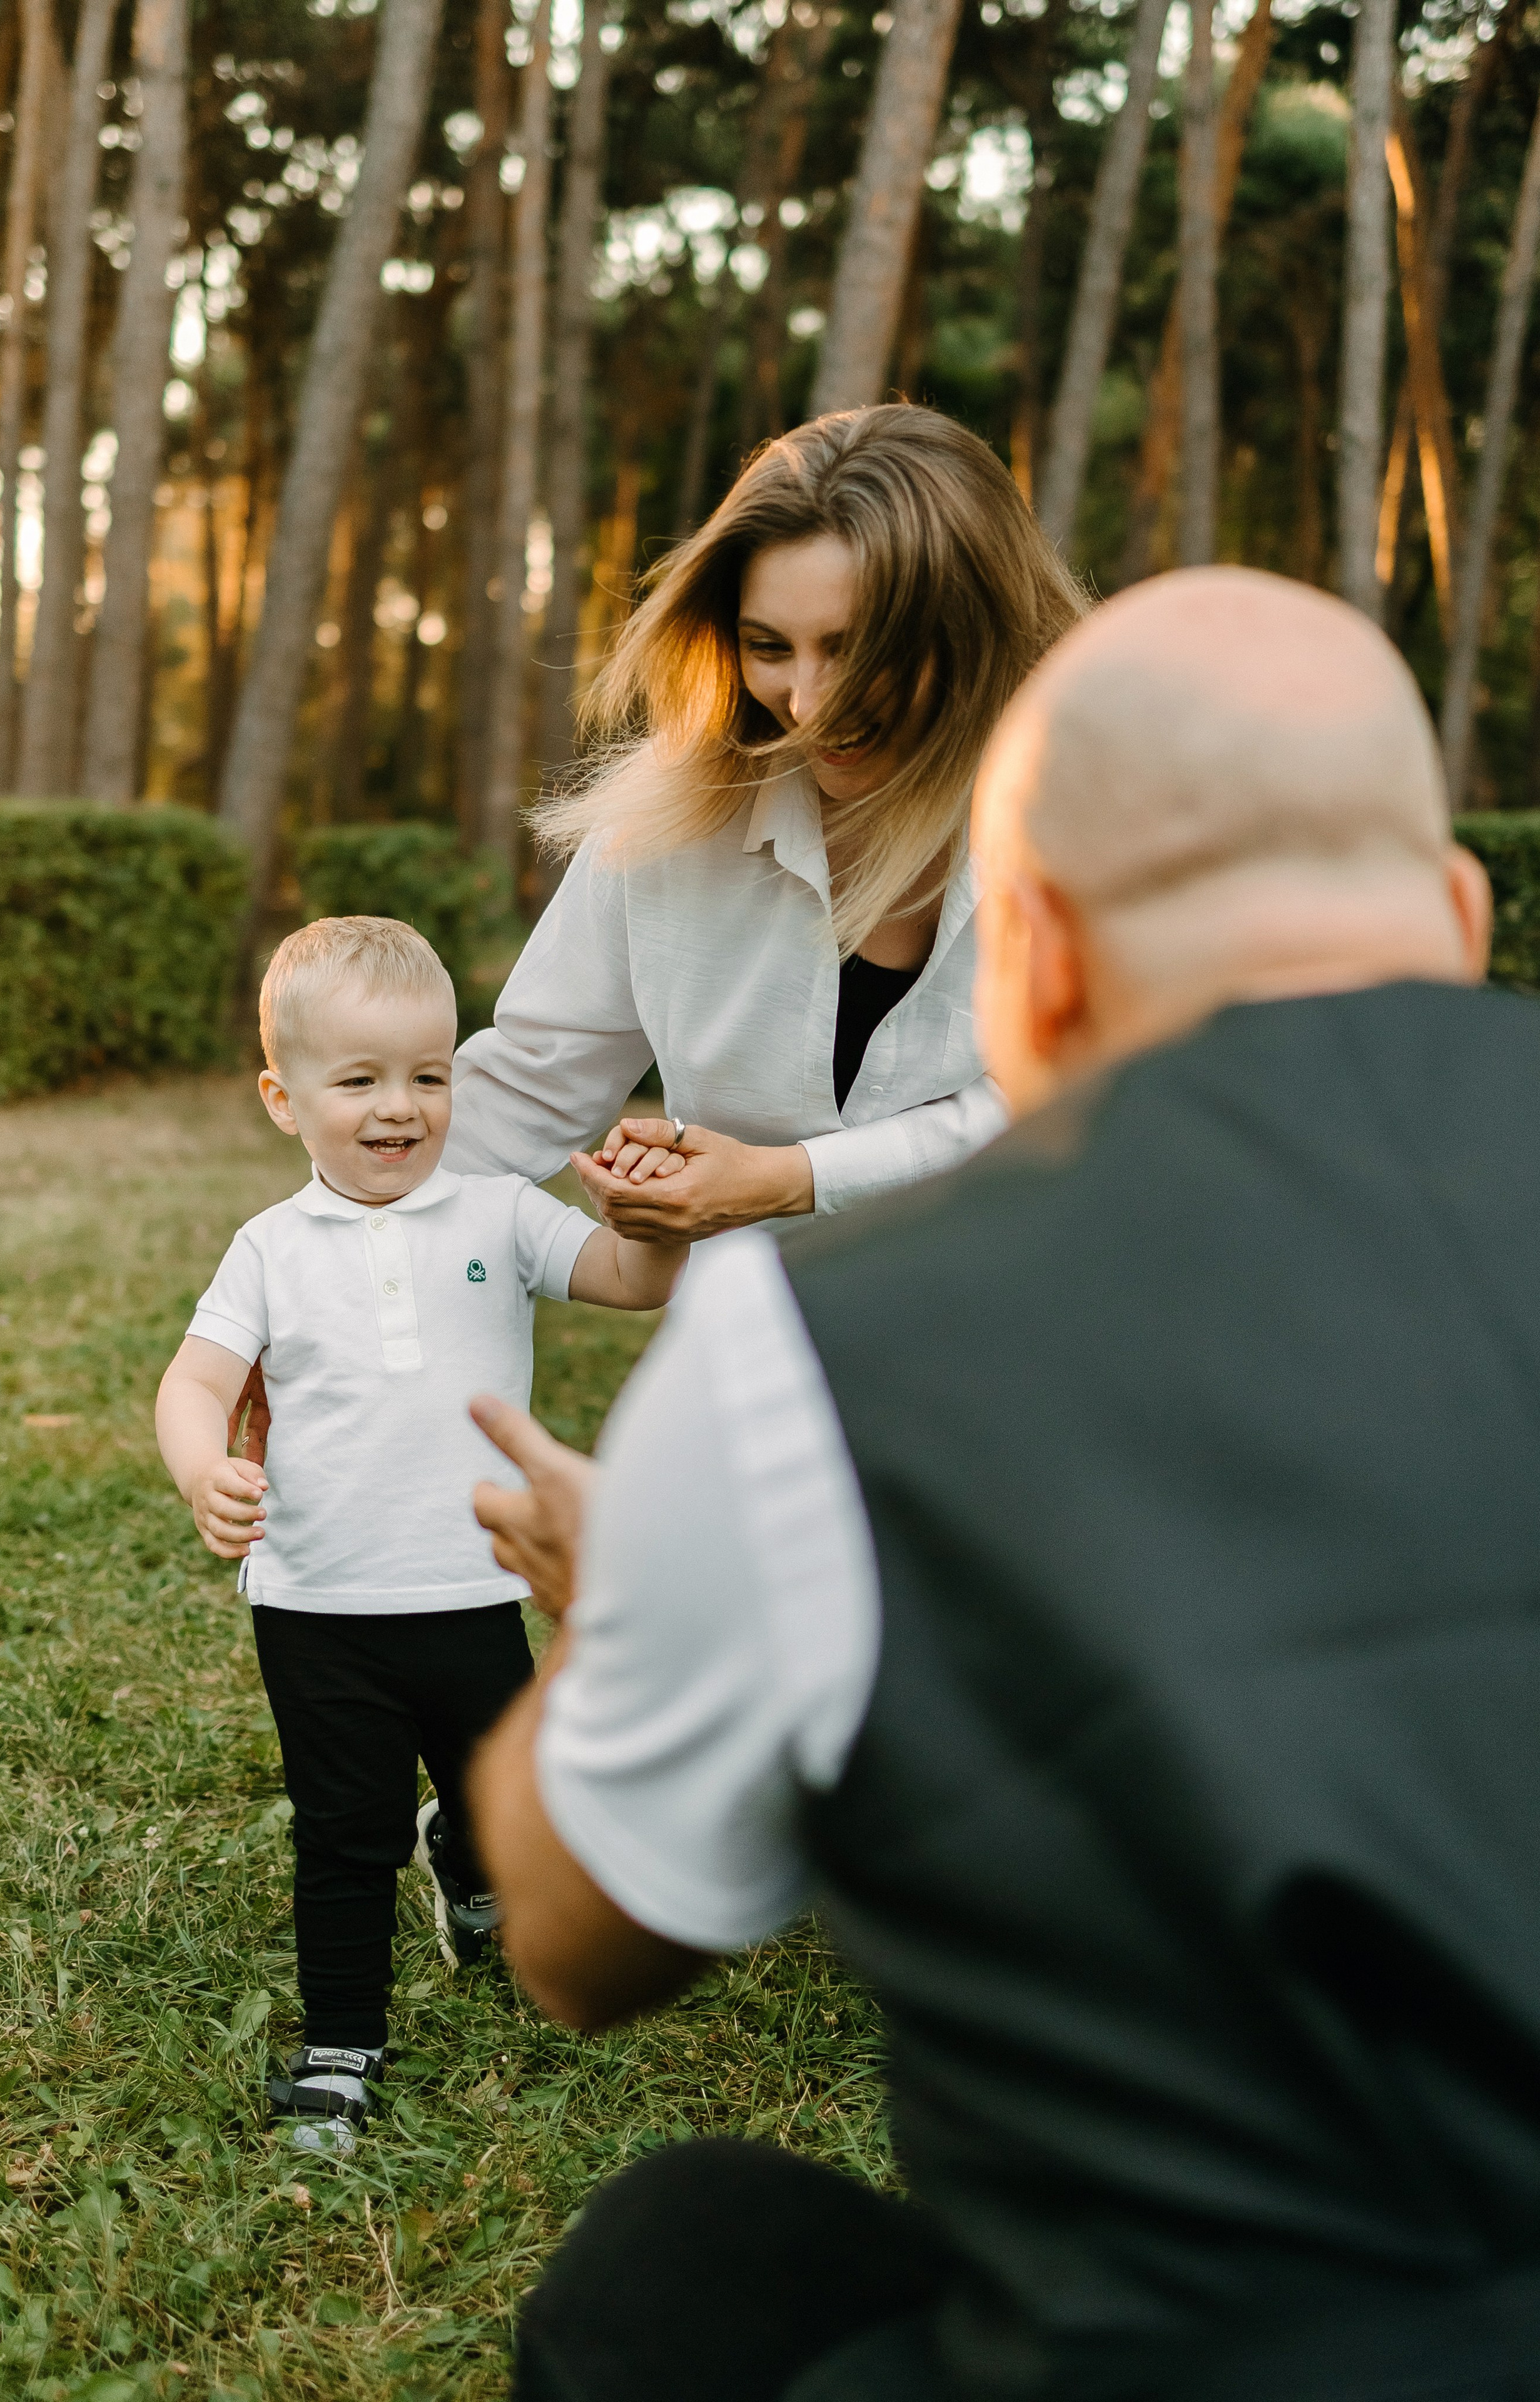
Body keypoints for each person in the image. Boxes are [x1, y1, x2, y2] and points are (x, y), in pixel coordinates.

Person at [466, 567, 1540, 2402]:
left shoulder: (814, 1356)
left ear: (1026, 952)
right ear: (1460, 911)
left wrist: (610, 1606)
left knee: (677, 2277)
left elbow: (577, 1942)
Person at [153, 918, 683, 2157]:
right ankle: (341, 2043)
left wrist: (644, 1216)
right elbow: (193, 1381)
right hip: (319, 1605)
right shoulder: (271, 1252)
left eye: (429, 1076)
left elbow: (624, 1278)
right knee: (346, 1831)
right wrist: (202, 1467)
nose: (400, 1108)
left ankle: (472, 1860)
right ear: (285, 1101)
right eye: (360, 1081)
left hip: (472, 1584)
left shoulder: (496, 1214)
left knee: (504, 1801)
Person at [444, 402, 1085, 1240]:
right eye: (769, 647)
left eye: (854, 648)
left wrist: (791, 1179)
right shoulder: (664, 821)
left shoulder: (1084, 823)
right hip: (753, 1347)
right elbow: (525, 1092)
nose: (809, 704)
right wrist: (303, 1275)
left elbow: (1083, 1098)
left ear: (970, 632)